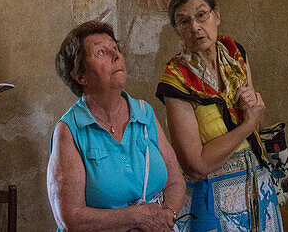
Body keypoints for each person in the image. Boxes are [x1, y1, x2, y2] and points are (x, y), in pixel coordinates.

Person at [157, 0, 282, 232]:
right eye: (184, 21)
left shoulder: (235, 54)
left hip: (258, 186)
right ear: (177, 31)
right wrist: (246, 124)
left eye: (201, 15)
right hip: (212, 196)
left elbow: (257, 123)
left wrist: (255, 110)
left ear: (217, 16)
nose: (195, 27)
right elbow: (196, 164)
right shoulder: (176, 78)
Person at [48, 22, 186, 232]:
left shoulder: (144, 112)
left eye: (115, 48)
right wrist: (137, 217)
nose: (116, 56)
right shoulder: (69, 129)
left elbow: (175, 181)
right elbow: (70, 218)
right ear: (80, 76)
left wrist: (166, 216)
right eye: (101, 52)